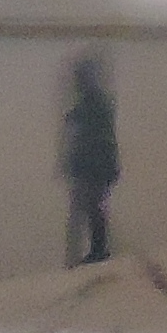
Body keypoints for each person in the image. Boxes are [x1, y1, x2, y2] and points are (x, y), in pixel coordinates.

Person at [60, 55, 120, 266]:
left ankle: (96, 252)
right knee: (90, 208)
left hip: (95, 166)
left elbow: (87, 135)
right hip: (95, 166)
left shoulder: (94, 103)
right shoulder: (95, 102)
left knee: (89, 208)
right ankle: (93, 252)